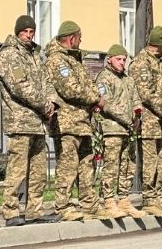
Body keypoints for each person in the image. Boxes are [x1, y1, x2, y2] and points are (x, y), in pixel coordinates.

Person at [0, 15, 58, 227]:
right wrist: (44, 105)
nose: (29, 35)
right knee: (17, 170)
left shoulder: (35, 55)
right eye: (25, 32)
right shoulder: (9, 55)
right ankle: (11, 211)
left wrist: (52, 101)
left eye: (32, 32)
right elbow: (20, 87)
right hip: (20, 121)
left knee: (39, 172)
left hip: (38, 122)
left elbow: (47, 81)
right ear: (17, 32)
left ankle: (35, 210)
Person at [46, 22, 112, 221]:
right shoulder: (57, 59)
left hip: (82, 121)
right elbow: (70, 88)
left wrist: (94, 100)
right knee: (68, 166)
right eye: (79, 38)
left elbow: (87, 84)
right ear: (71, 38)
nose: (81, 41)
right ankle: (63, 206)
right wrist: (95, 99)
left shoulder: (73, 59)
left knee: (86, 164)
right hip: (67, 122)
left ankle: (89, 204)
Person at [95, 44, 146, 219]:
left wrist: (137, 117)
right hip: (112, 129)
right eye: (118, 59)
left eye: (124, 60)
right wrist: (128, 119)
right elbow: (107, 104)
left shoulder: (128, 79)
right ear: (109, 59)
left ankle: (124, 199)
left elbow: (136, 100)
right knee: (112, 166)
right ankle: (109, 200)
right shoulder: (104, 78)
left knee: (127, 165)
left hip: (129, 130)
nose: (122, 63)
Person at [128, 26, 162, 217]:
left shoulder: (158, 62)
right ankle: (149, 199)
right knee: (150, 162)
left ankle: (157, 197)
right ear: (160, 43)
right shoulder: (142, 62)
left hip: (160, 121)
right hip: (148, 120)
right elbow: (146, 93)